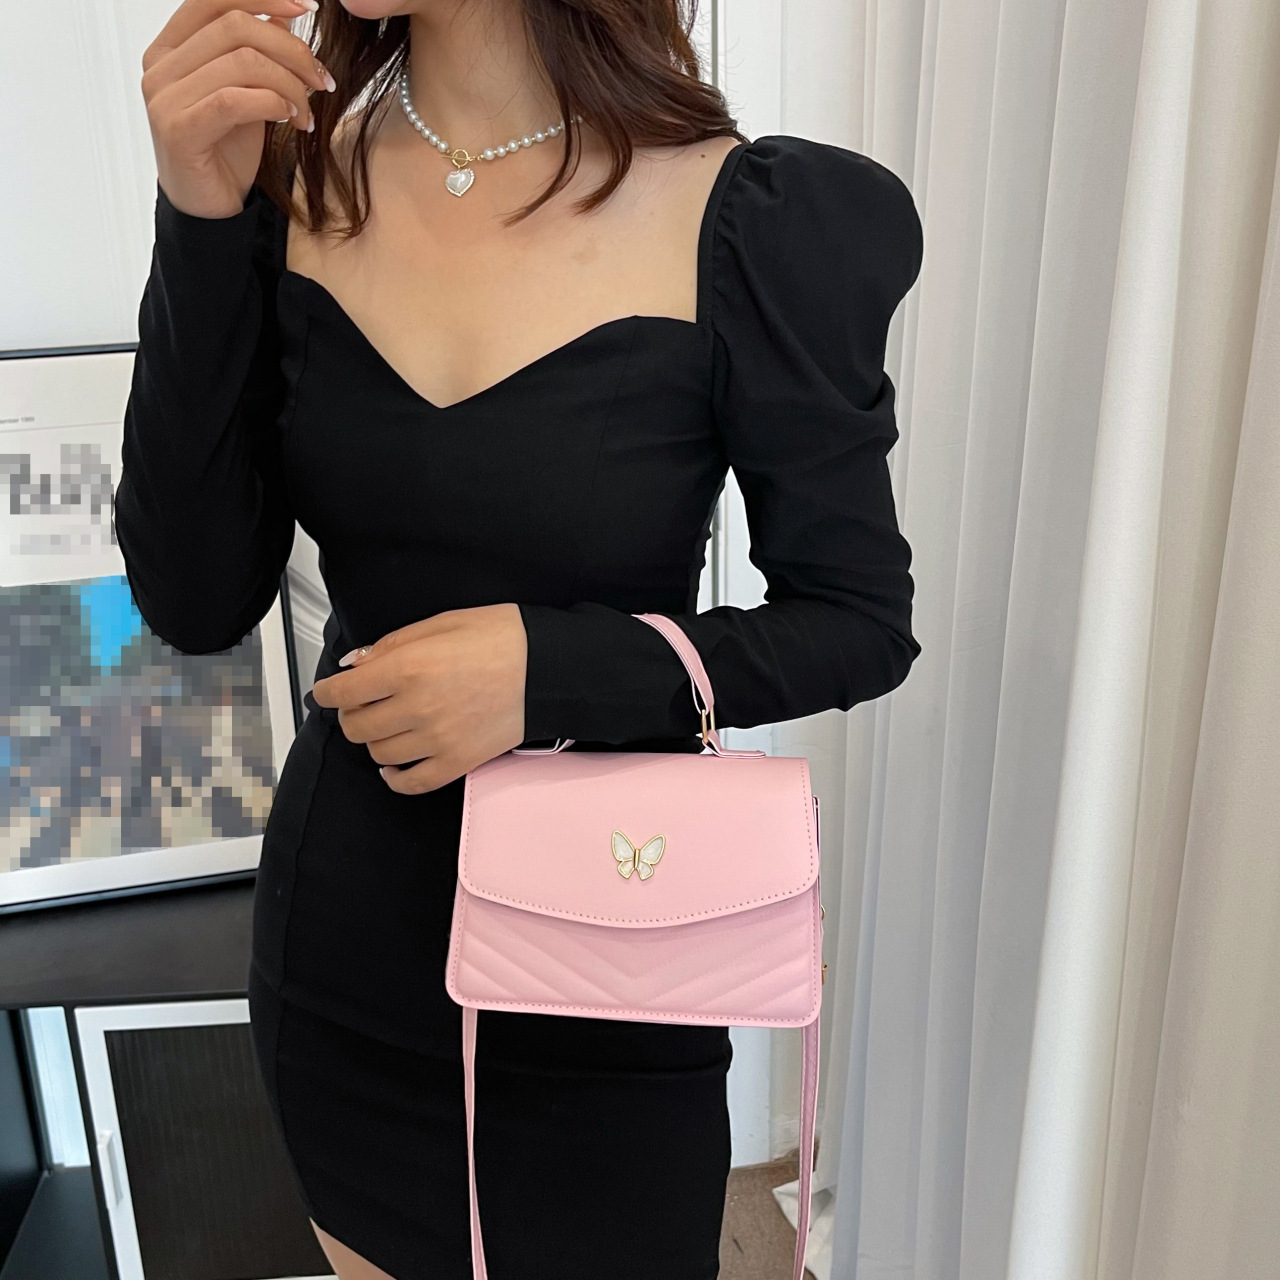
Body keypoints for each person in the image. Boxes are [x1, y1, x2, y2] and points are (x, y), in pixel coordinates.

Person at [116, 1, 924, 1276]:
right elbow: (195, 597)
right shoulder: (286, 189)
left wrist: (546, 672)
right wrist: (198, 215)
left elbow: (854, 621)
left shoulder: (748, 218)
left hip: (609, 961)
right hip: (349, 958)